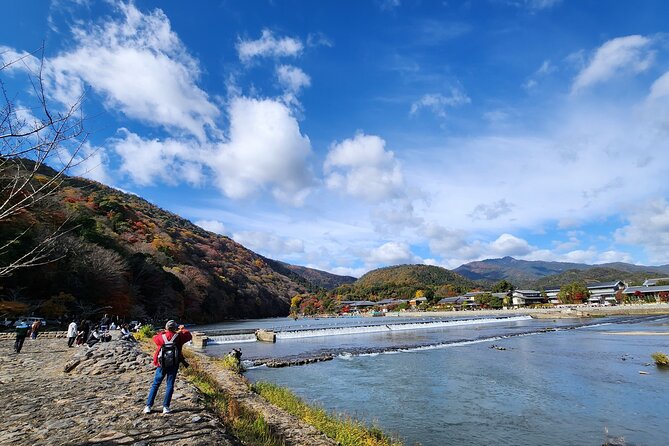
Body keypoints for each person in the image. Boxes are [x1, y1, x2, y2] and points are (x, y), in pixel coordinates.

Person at [144, 320, 192, 415]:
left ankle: (148, 406)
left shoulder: (160, 337)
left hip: (161, 364)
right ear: (175, 328)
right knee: (170, 385)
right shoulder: (179, 336)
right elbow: (189, 336)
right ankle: (166, 407)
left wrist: (163, 332)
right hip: (174, 363)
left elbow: (155, 338)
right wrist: (182, 329)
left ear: (166, 328)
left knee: (155, 384)